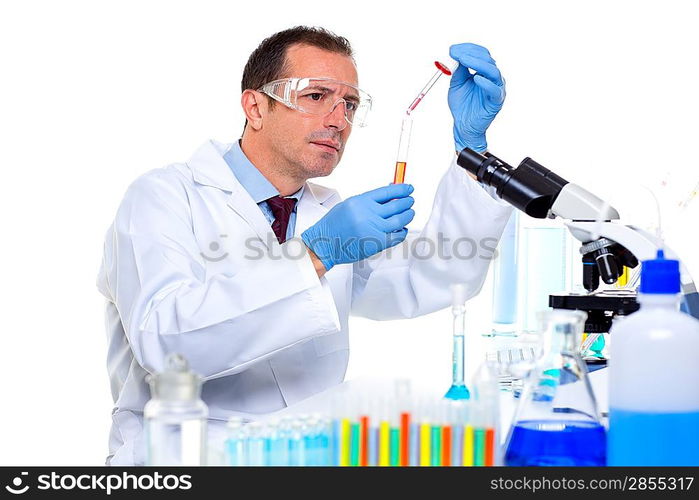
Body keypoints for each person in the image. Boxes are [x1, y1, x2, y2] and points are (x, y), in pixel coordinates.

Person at [97, 26, 513, 465]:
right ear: (255, 106)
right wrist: (315, 254)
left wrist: (473, 155)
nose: (338, 120)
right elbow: (166, 346)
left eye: (349, 104)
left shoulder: (325, 212)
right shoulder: (163, 197)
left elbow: (437, 276)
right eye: (316, 96)